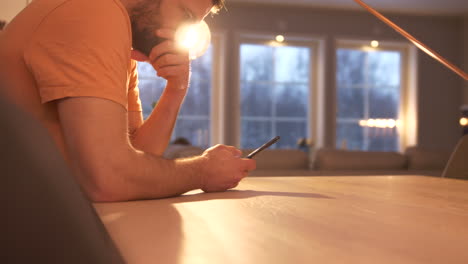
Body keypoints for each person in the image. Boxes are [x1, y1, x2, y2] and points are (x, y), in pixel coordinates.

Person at [0, 0, 256, 202]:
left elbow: (138, 157)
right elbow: (108, 179)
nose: (179, 35)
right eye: (185, 16)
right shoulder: (94, 10)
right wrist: (202, 171)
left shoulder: (123, 50)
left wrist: (176, 89)